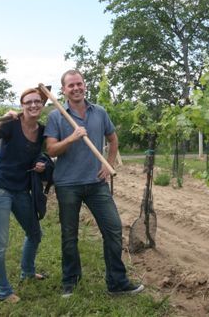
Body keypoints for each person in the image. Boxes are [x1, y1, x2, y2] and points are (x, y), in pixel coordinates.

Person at [45, 69, 144, 298]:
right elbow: (50, 149)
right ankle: (70, 281)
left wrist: (108, 165)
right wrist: (72, 137)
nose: (76, 88)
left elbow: (113, 139)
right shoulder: (56, 116)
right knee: (69, 236)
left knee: (113, 228)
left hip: (96, 183)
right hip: (67, 184)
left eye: (79, 84)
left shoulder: (99, 112)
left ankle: (116, 283)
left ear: (84, 85)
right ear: (64, 90)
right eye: (71, 86)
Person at [0, 88, 52, 303]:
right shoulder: (10, 125)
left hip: (20, 190)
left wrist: (41, 165)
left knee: (35, 233)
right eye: (28, 102)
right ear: (22, 105)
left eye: (37, 101)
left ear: (42, 105)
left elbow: (42, 156)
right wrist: (0, 121)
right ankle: (4, 291)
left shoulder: (42, 131)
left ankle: (27, 272)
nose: (33, 105)